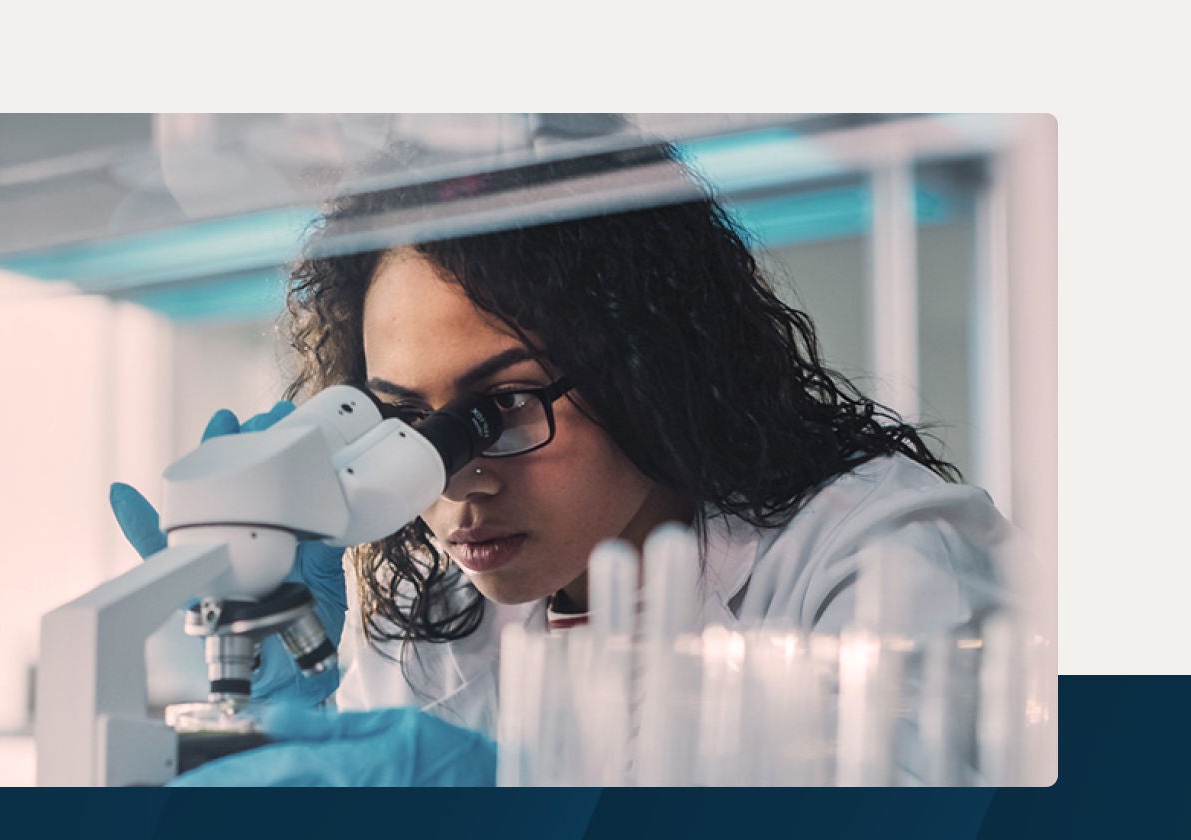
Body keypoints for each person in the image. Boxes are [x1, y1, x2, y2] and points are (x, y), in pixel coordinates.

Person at [114, 142, 1010, 786]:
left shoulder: (873, 555)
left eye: (497, 409)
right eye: (403, 421)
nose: (459, 478)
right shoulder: (435, 629)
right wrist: (294, 719)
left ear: (650, 366)